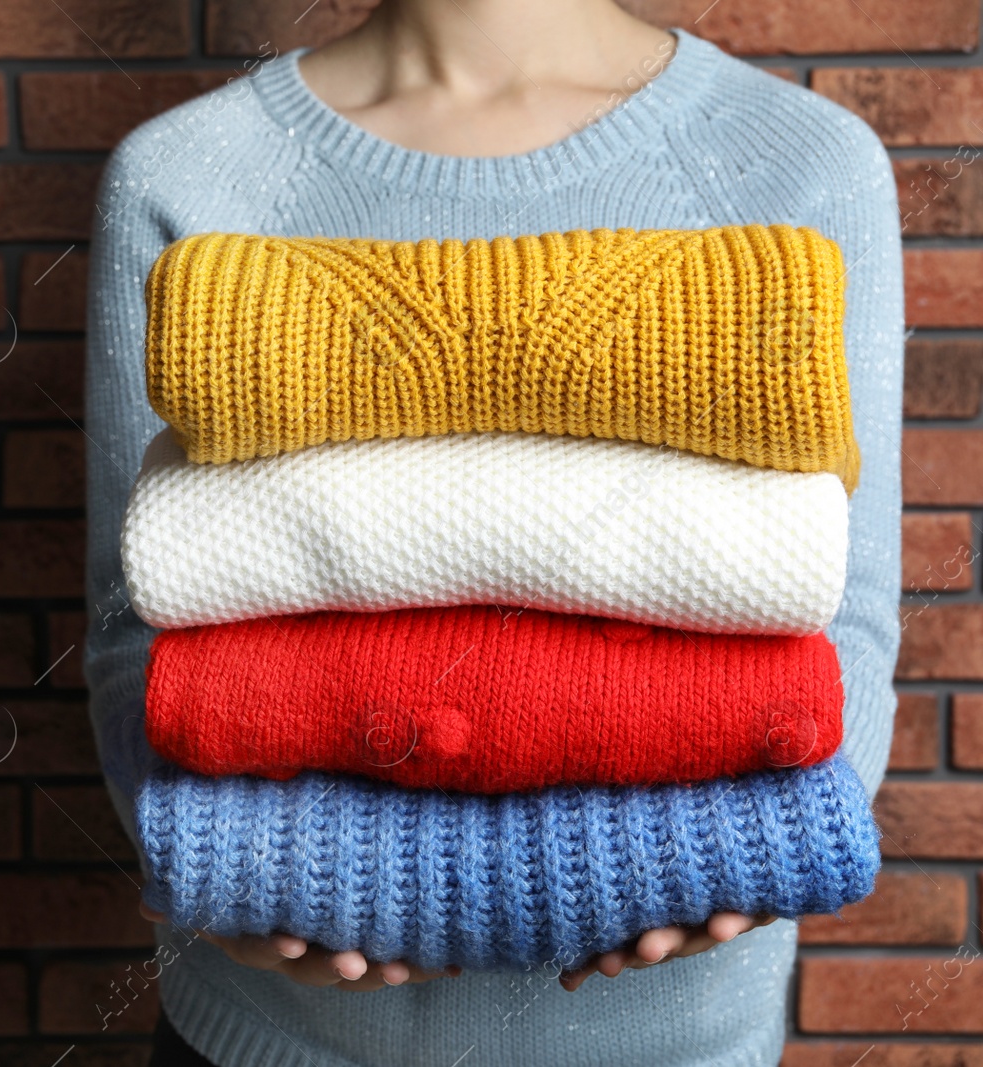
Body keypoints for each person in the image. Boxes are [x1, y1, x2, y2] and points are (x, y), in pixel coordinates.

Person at [82, 0, 903, 1062]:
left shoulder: (797, 159)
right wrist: (238, 874)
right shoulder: (192, 168)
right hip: (280, 1040)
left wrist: (742, 846)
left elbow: (845, 606)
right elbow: (131, 625)